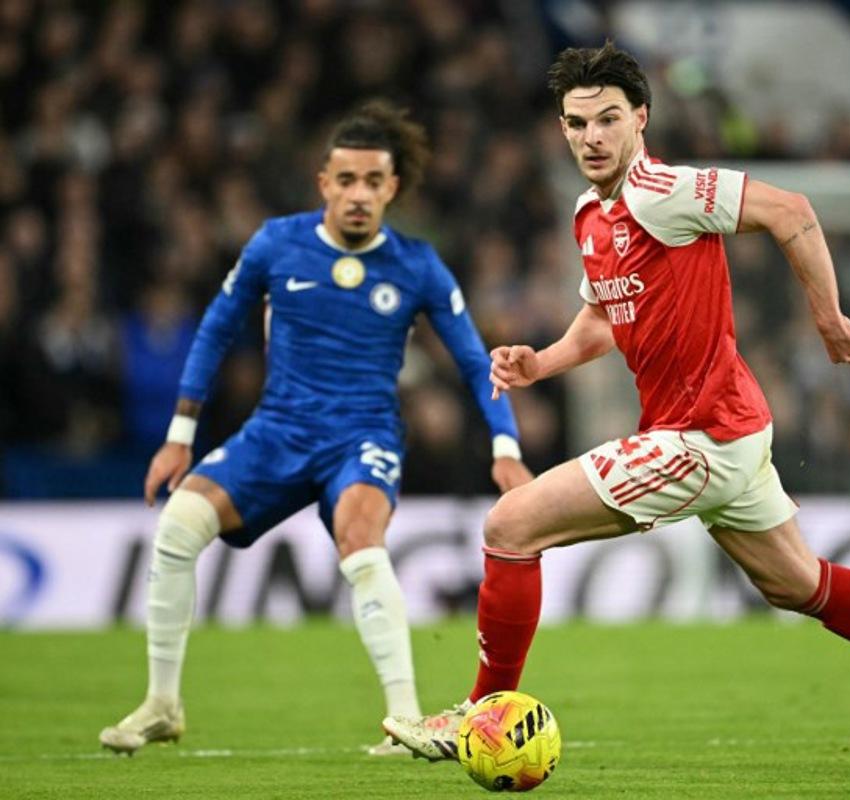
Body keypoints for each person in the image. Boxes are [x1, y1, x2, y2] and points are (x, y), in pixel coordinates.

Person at [384, 43, 850, 770]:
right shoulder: (590, 214)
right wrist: (542, 361)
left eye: (608, 119)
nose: (592, 137)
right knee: (799, 584)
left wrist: (828, 317)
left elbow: (791, 211)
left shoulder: (664, 190)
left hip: (700, 437)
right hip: (728, 430)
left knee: (511, 526)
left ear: (640, 119)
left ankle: (478, 715)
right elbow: (605, 316)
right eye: (577, 123)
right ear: (561, 129)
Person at [99, 101, 533, 756]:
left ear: (392, 188)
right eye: (346, 180)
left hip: (363, 436)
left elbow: (476, 362)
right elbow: (215, 329)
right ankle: (162, 704)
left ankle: (404, 720)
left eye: (373, 181)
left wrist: (505, 446)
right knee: (178, 526)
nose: (358, 194)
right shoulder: (277, 244)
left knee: (361, 540)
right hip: (277, 430)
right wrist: (180, 436)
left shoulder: (417, 264)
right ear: (323, 182)